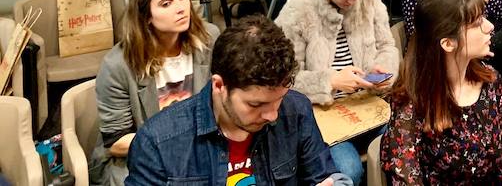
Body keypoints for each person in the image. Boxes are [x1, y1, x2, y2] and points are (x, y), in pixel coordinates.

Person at [126, 15, 350, 186]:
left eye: (279, 99)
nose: (272, 115)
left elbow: (324, 176)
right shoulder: (157, 142)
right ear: (219, 86)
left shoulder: (296, 110)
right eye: (255, 104)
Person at [275, 0, 399, 185]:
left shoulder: (369, 2)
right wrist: (329, 81)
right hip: (322, 114)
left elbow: (388, 46)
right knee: (348, 170)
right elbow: (283, 79)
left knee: (404, 148)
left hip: (367, 105)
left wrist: (383, 70)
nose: (352, 1)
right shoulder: (298, 10)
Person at [380, 0, 502, 184]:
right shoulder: (412, 100)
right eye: (477, 23)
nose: (490, 26)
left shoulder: (491, 82)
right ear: (448, 43)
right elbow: (406, 177)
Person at [95, 0, 219, 186]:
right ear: (146, 17)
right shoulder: (117, 65)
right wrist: (175, 143)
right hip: (144, 157)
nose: (180, 8)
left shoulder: (209, 40)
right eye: (166, 3)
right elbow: (115, 142)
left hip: (201, 149)